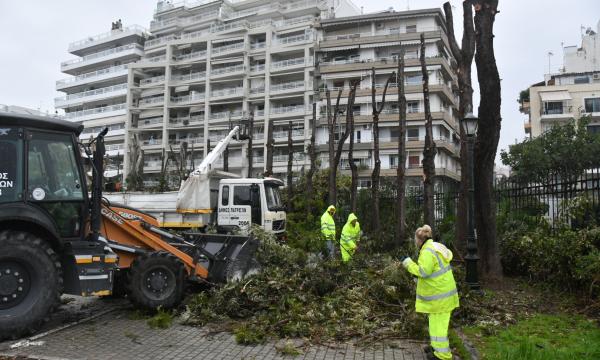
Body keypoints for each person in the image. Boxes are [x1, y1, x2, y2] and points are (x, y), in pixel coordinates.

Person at [400, 225, 459, 360]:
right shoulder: (435, 246)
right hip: (441, 295)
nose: (415, 243)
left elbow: (423, 272)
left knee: (439, 328)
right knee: (435, 324)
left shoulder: (427, 251)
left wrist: (408, 263)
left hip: (440, 297)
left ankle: (443, 356)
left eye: (415, 240)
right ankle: (435, 347)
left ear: (419, 240)